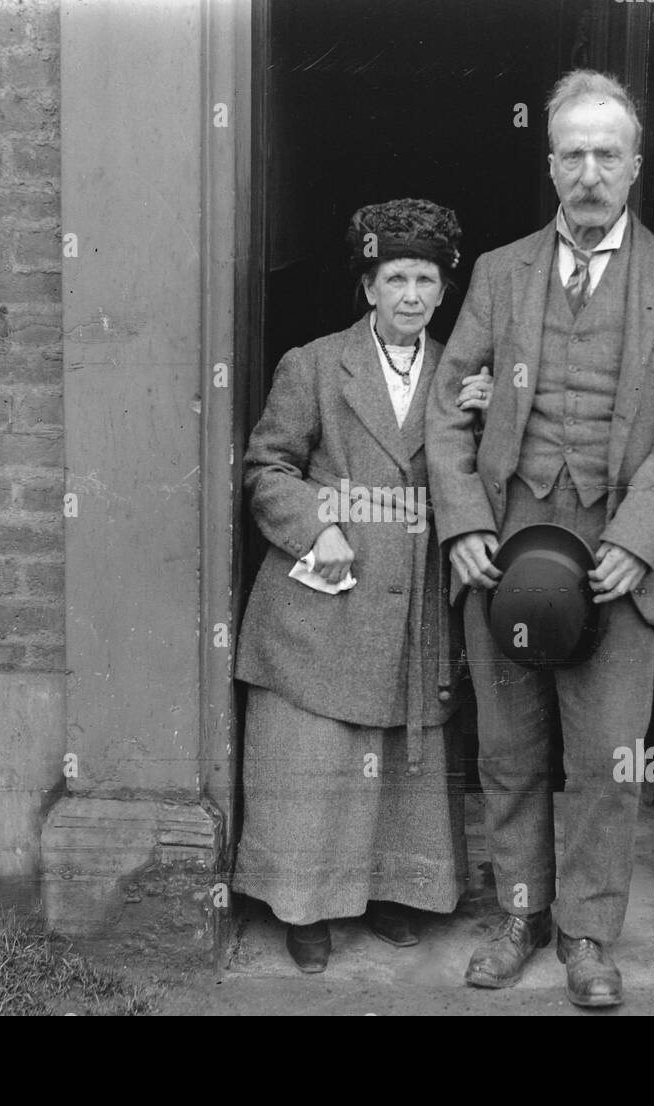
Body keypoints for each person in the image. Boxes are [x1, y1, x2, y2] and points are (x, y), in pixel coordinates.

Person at [426, 70, 654, 1007]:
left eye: (608, 155)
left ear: (635, 166)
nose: (589, 173)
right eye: (573, 154)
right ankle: (519, 913)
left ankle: (588, 937)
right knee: (507, 747)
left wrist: (639, 537)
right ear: (551, 164)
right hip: (508, 541)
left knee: (604, 758)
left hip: (620, 547)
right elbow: (446, 408)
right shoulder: (500, 274)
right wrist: (465, 525)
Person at [232, 198, 468, 974]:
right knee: (316, 754)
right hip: (324, 597)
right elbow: (268, 468)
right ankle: (302, 904)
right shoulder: (314, 364)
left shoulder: (461, 376)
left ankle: (392, 892)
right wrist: (313, 526)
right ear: (368, 286)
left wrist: (492, 419)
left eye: (425, 279)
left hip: (415, 596)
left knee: (403, 755)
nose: (410, 294)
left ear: (443, 290)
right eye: (394, 276)